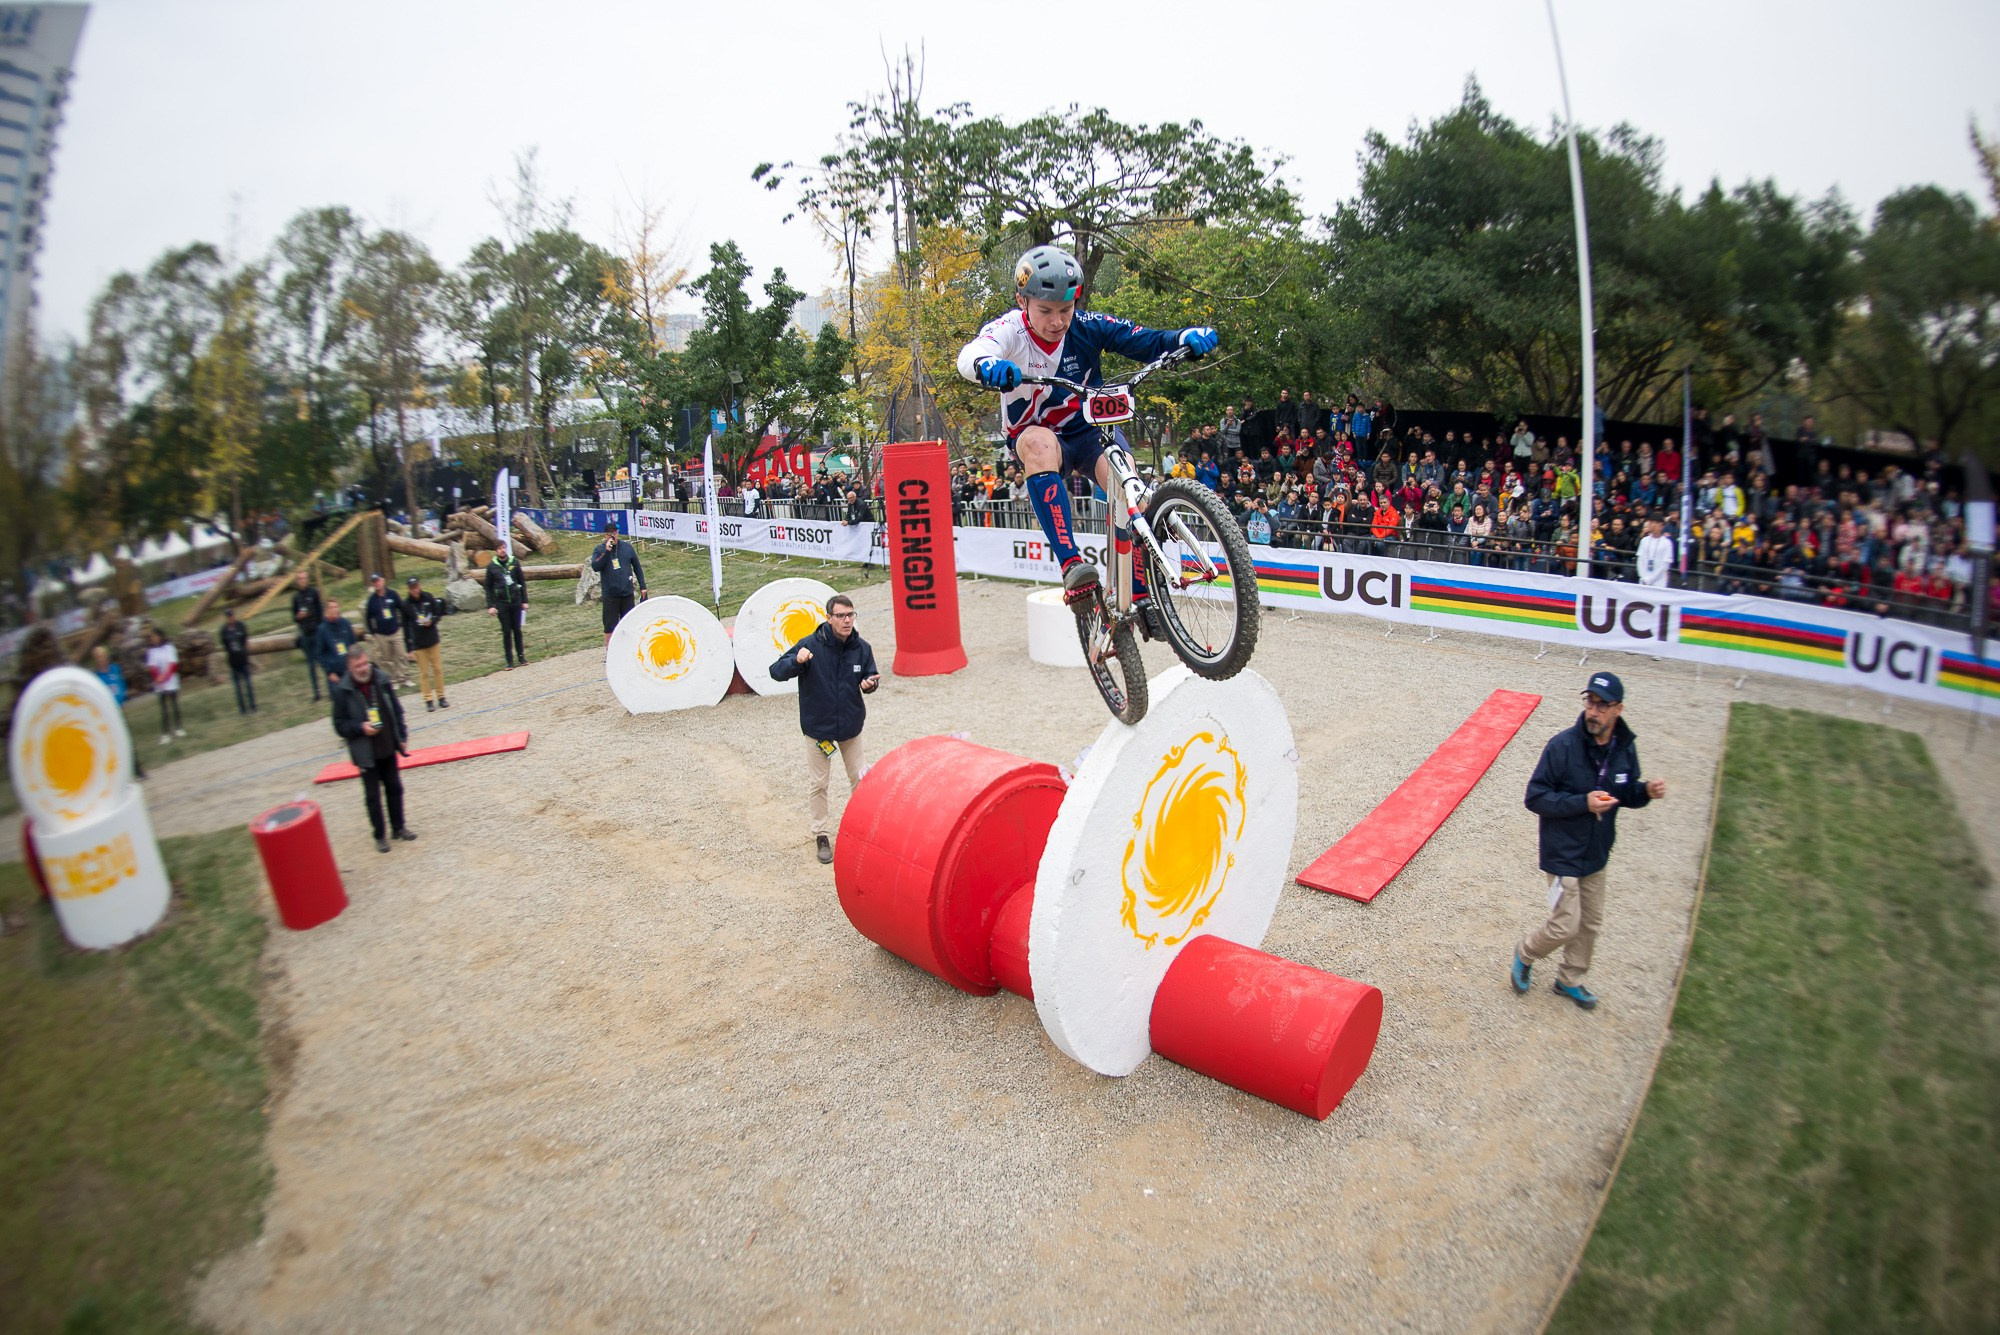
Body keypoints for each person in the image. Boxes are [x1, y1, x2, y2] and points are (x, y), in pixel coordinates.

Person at [955, 244, 1217, 620]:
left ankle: (1141, 593)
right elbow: (971, 353)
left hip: (1091, 433)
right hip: (1041, 438)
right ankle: (1072, 564)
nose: (1058, 321)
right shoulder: (1009, 331)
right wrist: (986, 365)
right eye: (1046, 310)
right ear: (1022, 300)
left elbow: (1146, 341)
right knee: (1039, 442)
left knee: (1130, 488)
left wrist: (1184, 338)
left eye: (1066, 309)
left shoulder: (1088, 326)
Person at [1510, 672, 1668, 1009]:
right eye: (1590, 702)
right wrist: (1584, 802)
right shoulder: (1562, 746)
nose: (1593, 711)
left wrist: (1645, 792)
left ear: (1618, 709)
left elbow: (1625, 792)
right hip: (1562, 853)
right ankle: (1525, 952)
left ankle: (1569, 979)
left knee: (1590, 924)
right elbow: (1535, 797)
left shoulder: (1624, 748)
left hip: (1597, 852)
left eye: (1601, 705)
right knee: (1565, 925)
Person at [769, 593, 880, 865]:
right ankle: (821, 835)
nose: (846, 620)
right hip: (818, 729)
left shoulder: (862, 648)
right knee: (819, 784)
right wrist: (796, 661)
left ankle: (863, 832)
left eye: (850, 615)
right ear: (829, 618)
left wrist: (870, 684)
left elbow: (870, 674)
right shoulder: (809, 646)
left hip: (851, 727)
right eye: (841, 616)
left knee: (861, 782)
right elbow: (775, 671)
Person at [329, 645, 415, 854]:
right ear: (350, 667)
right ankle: (380, 836)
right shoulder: (343, 691)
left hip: (387, 745)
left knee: (394, 788)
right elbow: (339, 725)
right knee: (372, 797)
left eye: (365, 663)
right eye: (358, 666)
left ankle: (399, 827)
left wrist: (401, 736)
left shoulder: (381, 680)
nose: (363, 668)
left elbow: (396, 710)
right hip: (366, 753)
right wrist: (360, 728)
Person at [589, 520, 649, 645]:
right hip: (610, 594)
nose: (612, 536)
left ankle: (629, 648)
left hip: (627, 592)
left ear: (618, 533)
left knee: (629, 622)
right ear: (605, 535)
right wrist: (607, 551)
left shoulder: (626, 547)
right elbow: (596, 566)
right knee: (610, 625)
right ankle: (609, 651)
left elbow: (637, 566)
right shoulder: (599, 549)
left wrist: (643, 586)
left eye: (614, 533)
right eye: (609, 534)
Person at [90, 645, 145, 778]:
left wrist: (123, 695)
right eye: (98, 657)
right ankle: (120, 774)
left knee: (127, 739)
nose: (102, 659)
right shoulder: (96, 676)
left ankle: (138, 769)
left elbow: (121, 685)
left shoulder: (115, 669)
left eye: (103, 656)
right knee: (112, 743)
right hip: (107, 713)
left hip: (119, 709)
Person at [403, 575, 448, 712]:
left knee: (438, 669)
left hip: (432, 639)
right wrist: (409, 647)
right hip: (418, 643)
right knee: (424, 673)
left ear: (419, 585)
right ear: (409, 589)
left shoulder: (428, 597)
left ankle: (441, 696)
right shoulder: (406, 604)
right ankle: (428, 699)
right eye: (412, 588)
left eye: (416, 587)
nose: (415, 590)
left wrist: (432, 621)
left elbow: (438, 613)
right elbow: (405, 627)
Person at [362, 572, 413, 688]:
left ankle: (405, 678)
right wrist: (373, 632)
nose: (377, 584)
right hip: (381, 634)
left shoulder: (392, 594)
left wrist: (402, 623)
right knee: (388, 659)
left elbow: (401, 608)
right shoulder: (372, 600)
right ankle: (394, 680)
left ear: (383, 580)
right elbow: (368, 617)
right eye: (374, 582)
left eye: (378, 581)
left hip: (395, 630)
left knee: (401, 655)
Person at [485, 549, 529, 668]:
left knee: (517, 630)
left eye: (503, 548)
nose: (502, 550)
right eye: (499, 548)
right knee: (506, 631)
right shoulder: (492, 566)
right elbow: (488, 587)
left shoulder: (514, 562)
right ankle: (509, 660)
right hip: (502, 603)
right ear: (496, 551)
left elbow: (521, 581)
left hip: (516, 601)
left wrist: (524, 601)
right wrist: (491, 605)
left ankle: (521, 657)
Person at [143, 625, 184, 745]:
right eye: (151, 637)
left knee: (174, 704)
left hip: (170, 681)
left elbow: (173, 664)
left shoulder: (169, 648)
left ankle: (178, 727)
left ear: (160, 636)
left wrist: (165, 676)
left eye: (154, 636)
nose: (153, 639)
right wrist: (158, 677)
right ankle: (166, 733)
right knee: (164, 708)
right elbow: (152, 667)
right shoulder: (151, 651)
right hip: (160, 683)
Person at [289, 569, 326, 702]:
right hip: (305, 634)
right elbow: (294, 617)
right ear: (297, 581)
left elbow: (320, 612)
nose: (302, 581)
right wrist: (298, 616)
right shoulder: (296, 598)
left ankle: (331, 689)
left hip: (316, 632)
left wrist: (321, 629)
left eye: (304, 578)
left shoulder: (314, 593)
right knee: (311, 665)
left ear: (307, 579)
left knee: (322, 661)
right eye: (299, 579)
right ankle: (317, 693)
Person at [312, 597, 359, 690]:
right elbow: (319, 654)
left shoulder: (346, 623)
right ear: (326, 610)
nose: (335, 609)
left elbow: (354, 644)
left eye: (336, 607)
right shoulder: (322, 629)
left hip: (350, 670)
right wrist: (329, 673)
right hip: (335, 675)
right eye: (332, 607)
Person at [220, 607, 256, 713]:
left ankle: (253, 706)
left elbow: (246, 641)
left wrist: (246, 653)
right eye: (228, 617)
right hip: (233, 661)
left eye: (231, 616)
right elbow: (225, 645)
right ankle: (242, 709)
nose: (230, 618)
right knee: (237, 687)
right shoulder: (224, 630)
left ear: (234, 616)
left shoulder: (240, 626)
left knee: (248, 684)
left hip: (243, 659)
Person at [1636, 517, 1675, 588]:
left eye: (1656, 523)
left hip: (1659, 581)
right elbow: (1640, 560)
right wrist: (1643, 577)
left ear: (1662, 526)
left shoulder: (1667, 543)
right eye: (1651, 523)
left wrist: (1651, 579)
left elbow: (1665, 564)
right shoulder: (1644, 540)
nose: (1653, 525)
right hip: (1643, 580)